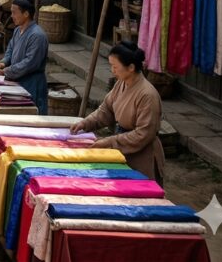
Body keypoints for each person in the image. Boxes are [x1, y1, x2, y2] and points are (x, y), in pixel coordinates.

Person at [71, 43, 166, 183]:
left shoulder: (147, 95)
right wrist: (86, 123)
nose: (112, 71)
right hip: (122, 145)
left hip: (143, 155)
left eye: (115, 67)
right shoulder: (121, 83)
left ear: (131, 67)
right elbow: (106, 109)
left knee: (139, 192)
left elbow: (144, 134)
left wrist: (110, 141)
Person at [0, 0, 49, 114]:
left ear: (26, 14)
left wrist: (7, 71)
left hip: (32, 84)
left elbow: (29, 63)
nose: (11, 16)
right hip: (18, 81)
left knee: (33, 117)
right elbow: (10, 50)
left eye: (14, 12)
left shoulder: (37, 35)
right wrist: (3, 62)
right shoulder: (17, 30)